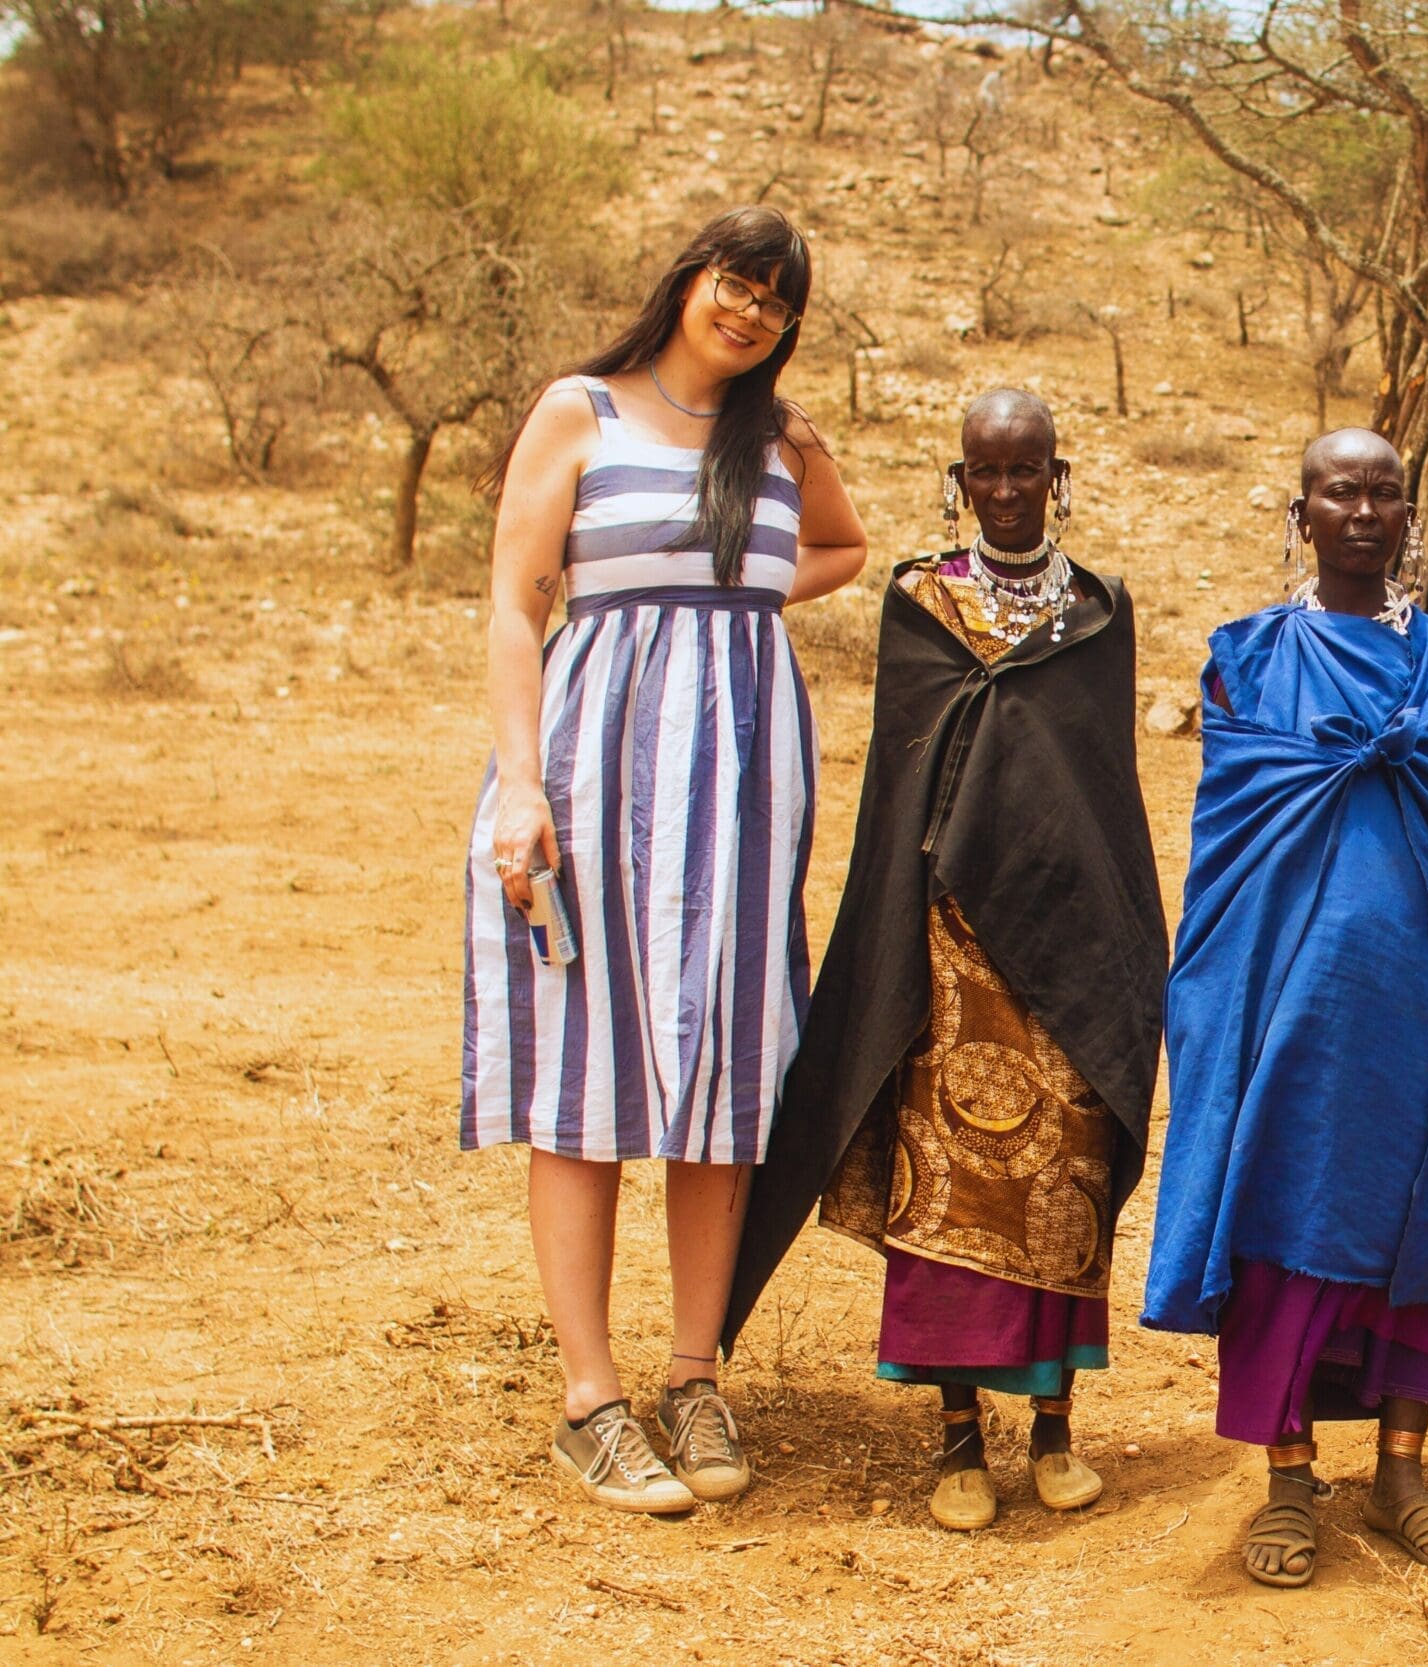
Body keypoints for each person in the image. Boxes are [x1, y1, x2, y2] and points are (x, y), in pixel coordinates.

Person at [462, 205, 868, 1514]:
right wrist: (521, 784)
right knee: (585, 1070)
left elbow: (844, 546)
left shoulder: (783, 439)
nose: (750, 313)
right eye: (735, 286)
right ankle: (593, 1396)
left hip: (746, 784)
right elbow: (518, 603)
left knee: (725, 1069)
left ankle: (697, 1371)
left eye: (776, 303)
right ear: (687, 282)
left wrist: (736, 601)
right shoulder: (582, 409)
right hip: (598, 770)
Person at [723, 389, 1167, 1534]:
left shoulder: (1099, 610)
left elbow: (1098, 789)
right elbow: (902, 779)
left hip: (1064, 948)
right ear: (959, 479)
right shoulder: (920, 603)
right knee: (951, 1182)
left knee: (1061, 1176)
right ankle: (958, 1436)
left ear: (1056, 476)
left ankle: (1059, 1426)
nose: (1007, 490)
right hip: (947, 947)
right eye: (987, 471)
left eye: (1028, 471)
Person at [1143, 429, 1428, 1589]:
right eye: (1339, 492)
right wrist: (1220, 999)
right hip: (1285, 1000)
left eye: (1384, 494)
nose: (1363, 511)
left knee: (1426, 1208)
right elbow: (1231, 839)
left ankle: (1403, 1473)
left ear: (1408, 515)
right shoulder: (1250, 655)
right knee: (1281, 1208)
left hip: (1423, 993)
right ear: (1301, 511)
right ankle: (1288, 1475)